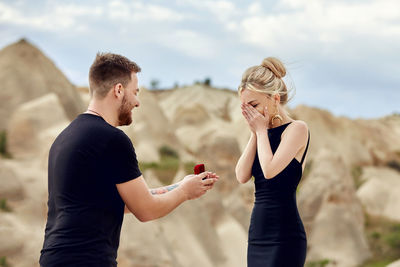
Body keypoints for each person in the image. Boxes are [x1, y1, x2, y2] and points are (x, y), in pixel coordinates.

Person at [39, 53, 219, 267]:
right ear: (118, 90)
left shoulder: (66, 137)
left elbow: (118, 202)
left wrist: (181, 184)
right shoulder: (112, 139)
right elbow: (146, 210)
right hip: (87, 259)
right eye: (135, 92)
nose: (137, 102)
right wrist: (185, 193)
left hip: (55, 257)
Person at [235, 57, 309, 267]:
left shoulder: (297, 129)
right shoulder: (261, 134)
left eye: (254, 104)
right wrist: (255, 133)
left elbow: (269, 170)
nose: (250, 112)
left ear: (275, 99)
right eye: (245, 107)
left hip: (285, 236)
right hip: (258, 234)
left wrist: (260, 131)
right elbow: (241, 176)